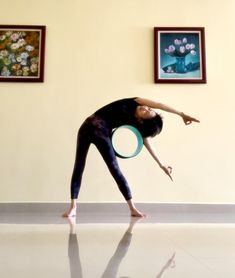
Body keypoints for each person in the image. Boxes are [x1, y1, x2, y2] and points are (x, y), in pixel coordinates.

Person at [63, 97, 199, 218]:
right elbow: (160, 104)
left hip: (102, 133)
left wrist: (161, 164)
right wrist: (181, 114)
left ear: (141, 120)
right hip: (85, 128)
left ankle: (132, 208)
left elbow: (146, 143)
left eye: (147, 112)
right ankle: (73, 207)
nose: (146, 108)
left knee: (115, 170)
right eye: (149, 108)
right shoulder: (135, 101)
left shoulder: (134, 123)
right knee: (79, 167)